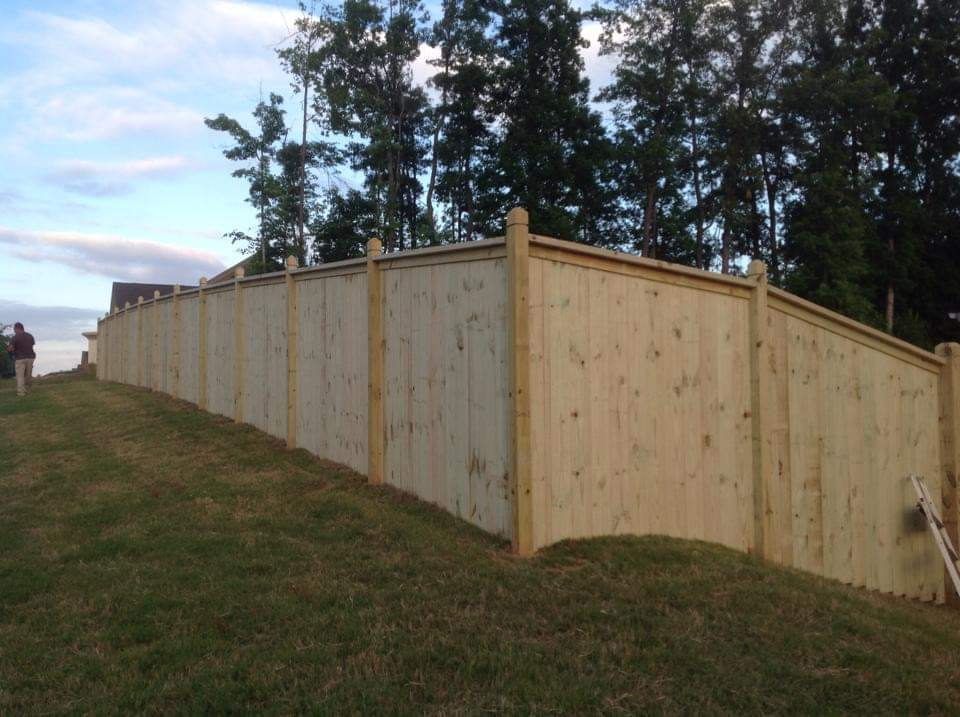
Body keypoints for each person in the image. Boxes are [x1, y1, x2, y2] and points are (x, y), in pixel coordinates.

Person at [8, 322, 36, 397]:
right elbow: (32, 345)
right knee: (28, 375)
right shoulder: (30, 336)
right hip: (30, 357)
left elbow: (10, 348)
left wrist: (10, 353)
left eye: (14, 329)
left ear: (17, 328)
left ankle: (21, 393)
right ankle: (29, 390)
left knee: (20, 376)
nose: (14, 331)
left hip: (20, 358)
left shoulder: (15, 337)